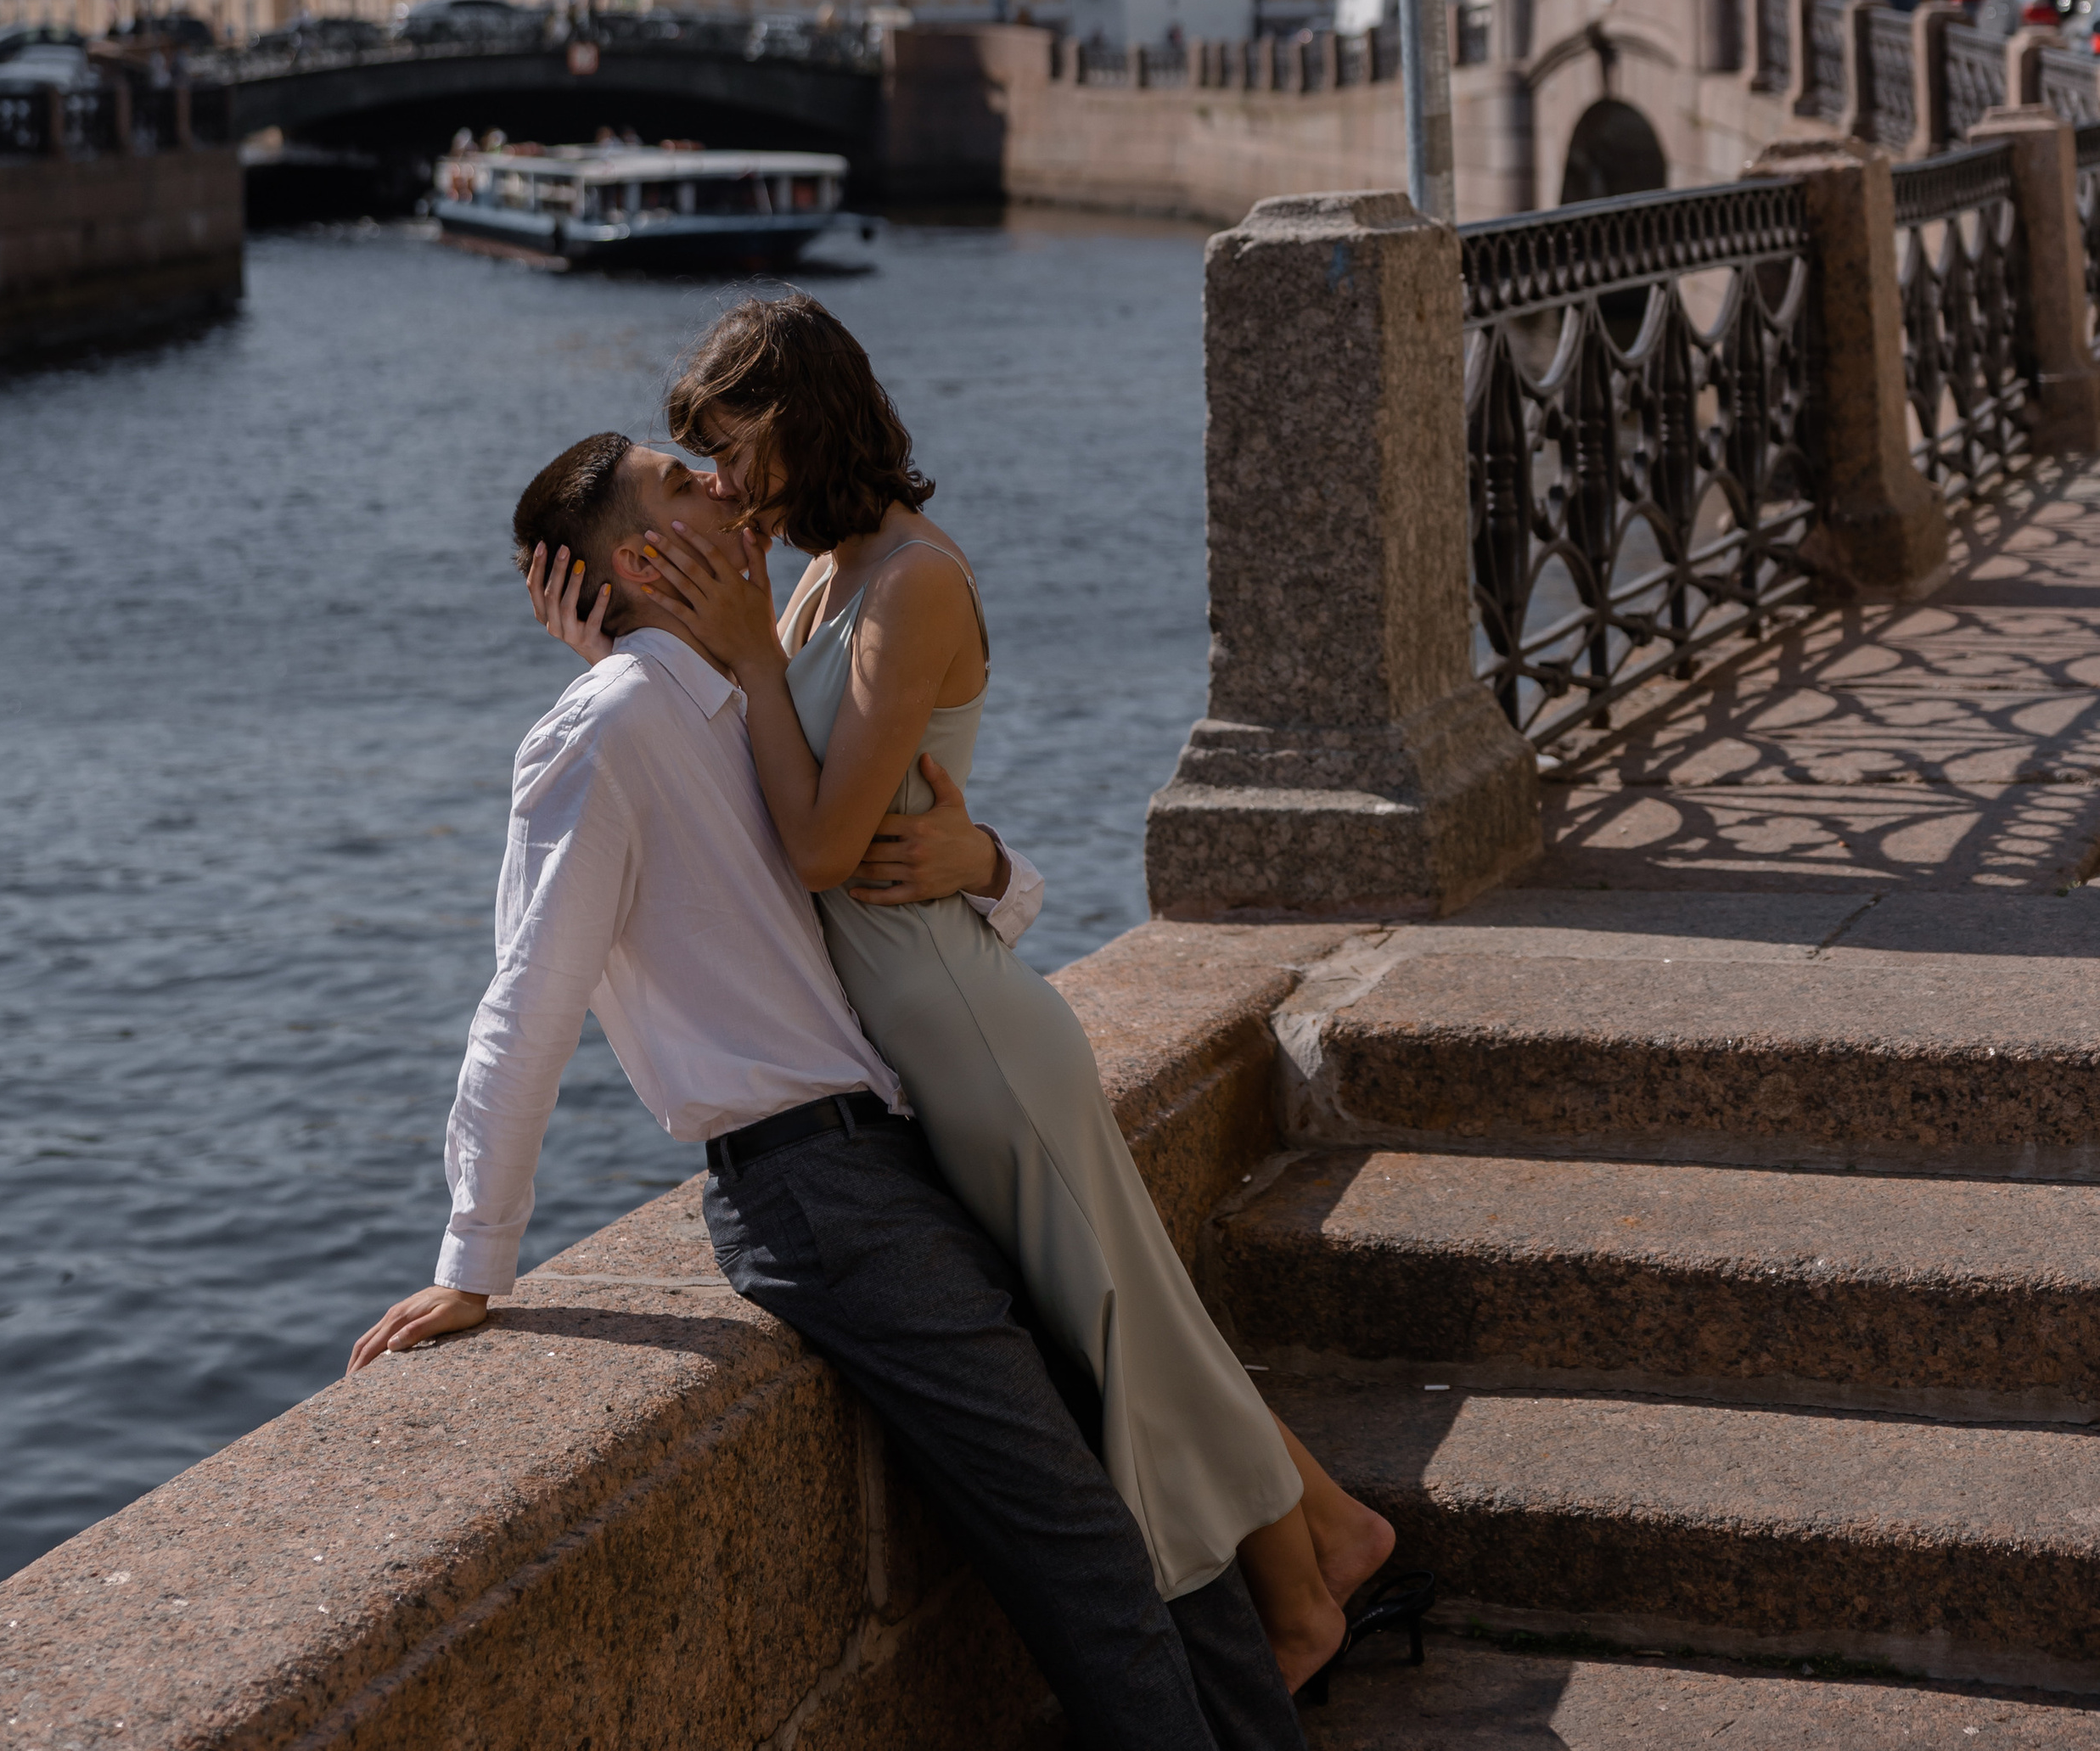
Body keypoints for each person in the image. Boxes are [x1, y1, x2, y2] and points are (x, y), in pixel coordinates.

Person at [350, 435, 1304, 1751]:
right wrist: (475, 1257)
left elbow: (924, 904)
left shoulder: (736, 709)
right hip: (818, 1190)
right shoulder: (608, 730)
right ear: (640, 561)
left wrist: (994, 865)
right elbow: (528, 995)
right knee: (1085, 1538)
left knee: (1139, 1480)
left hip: (905, 1145)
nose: (725, 486)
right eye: (685, 482)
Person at [538, 296, 1403, 1698]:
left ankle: (1304, 1590)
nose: (726, 485)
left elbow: (821, 847)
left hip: (970, 1040)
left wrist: (768, 669)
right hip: (910, 1036)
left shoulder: (910, 583)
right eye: (703, 460)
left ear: (807, 421)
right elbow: (743, 796)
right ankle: (1330, 1544)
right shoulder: (819, 581)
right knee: (1120, 1316)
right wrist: (620, 653)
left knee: (1121, 1331)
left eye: (736, 449)